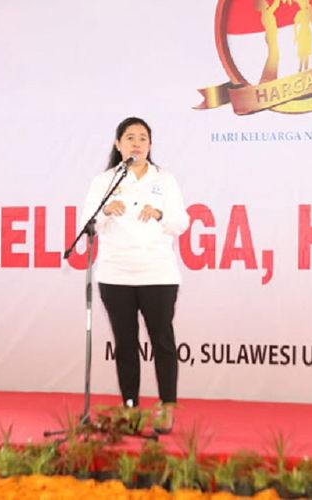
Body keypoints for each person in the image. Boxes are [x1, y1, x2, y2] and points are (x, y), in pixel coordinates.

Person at [81, 116, 189, 434]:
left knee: (162, 342)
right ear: (118, 144)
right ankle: (130, 408)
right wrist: (105, 211)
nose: (137, 143)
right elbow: (87, 223)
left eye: (143, 138)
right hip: (116, 274)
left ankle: (167, 407)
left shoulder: (164, 179)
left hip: (158, 273)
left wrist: (159, 213)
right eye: (130, 137)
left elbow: (181, 222)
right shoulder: (104, 181)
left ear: (150, 145)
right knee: (125, 344)